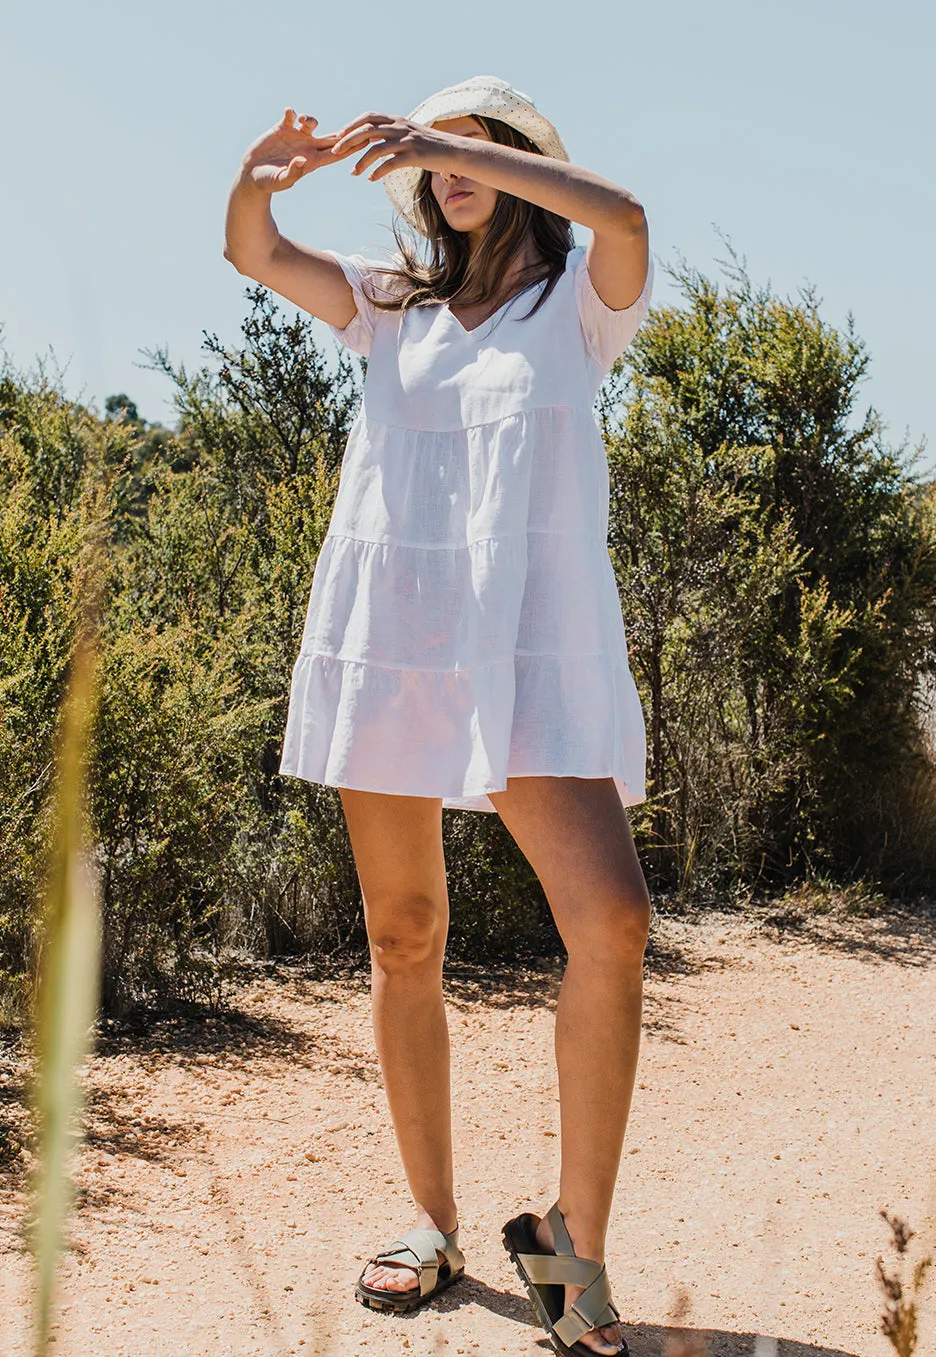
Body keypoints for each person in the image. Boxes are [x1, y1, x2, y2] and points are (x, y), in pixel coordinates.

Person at [224, 74, 654, 1357]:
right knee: (404, 933)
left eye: (482, 149)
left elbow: (626, 213)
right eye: (436, 155)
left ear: (524, 161)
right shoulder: (391, 302)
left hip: (525, 653)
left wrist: (448, 144)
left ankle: (569, 1253)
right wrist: (258, 177)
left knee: (613, 922)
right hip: (399, 643)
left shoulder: (576, 306)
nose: (450, 170)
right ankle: (432, 1218)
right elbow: (252, 250)